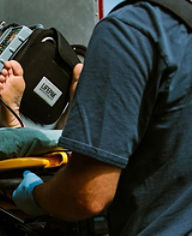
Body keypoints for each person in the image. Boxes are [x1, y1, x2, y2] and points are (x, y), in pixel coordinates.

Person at [12, 0, 192, 235]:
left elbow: (87, 193)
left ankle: (11, 117)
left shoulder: (129, 30)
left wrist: (36, 195)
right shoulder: (176, 31)